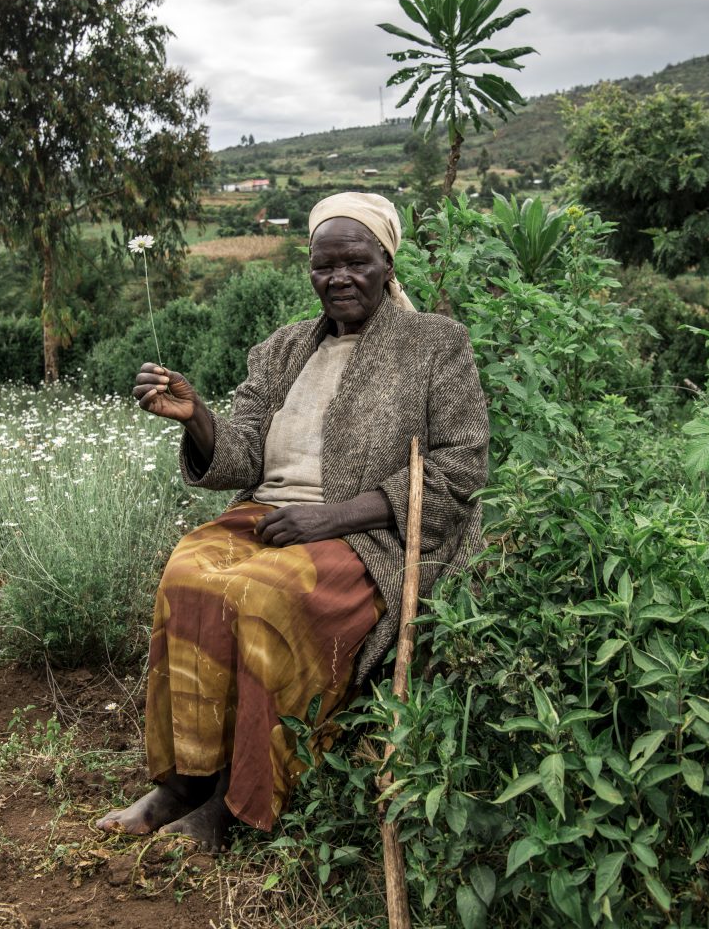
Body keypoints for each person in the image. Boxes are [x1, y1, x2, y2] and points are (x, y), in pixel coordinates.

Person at [97, 192, 488, 850]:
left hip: (371, 531)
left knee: (265, 598)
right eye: (323, 265)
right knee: (188, 574)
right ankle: (183, 781)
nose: (338, 278)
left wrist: (331, 517)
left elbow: (461, 466)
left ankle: (235, 802)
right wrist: (196, 417)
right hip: (273, 516)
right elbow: (243, 449)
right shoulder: (282, 349)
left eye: (356, 262)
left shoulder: (432, 344)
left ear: (387, 263)